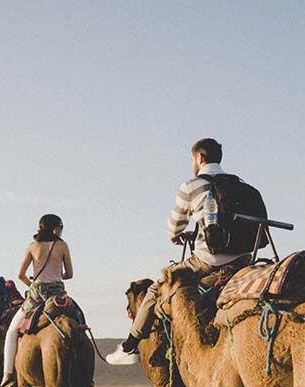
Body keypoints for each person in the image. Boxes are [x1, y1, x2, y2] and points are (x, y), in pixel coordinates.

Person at [106, 137, 267, 365]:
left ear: (199, 158)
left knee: (154, 290)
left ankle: (129, 347)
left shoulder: (192, 185)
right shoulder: (243, 186)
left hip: (207, 260)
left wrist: (175, 234)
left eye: (193, 159)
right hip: (245, 258)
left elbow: (175, 224)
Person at [0, 214, 73, 387]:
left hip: (36, 296)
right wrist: (57, 275)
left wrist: (34, 284)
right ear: (56, 228)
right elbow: (69, 273)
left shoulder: (32, 247)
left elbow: (20, 275)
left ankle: (7, 375)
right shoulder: (62, 245)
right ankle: (85, 371)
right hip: (57, 295)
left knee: (12, 331)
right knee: (79, 319)